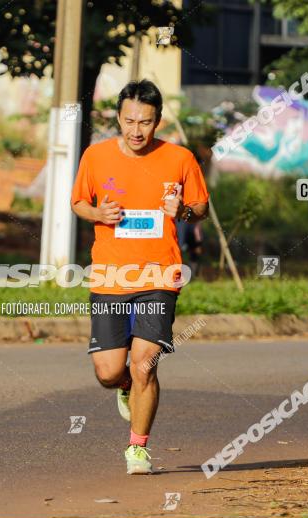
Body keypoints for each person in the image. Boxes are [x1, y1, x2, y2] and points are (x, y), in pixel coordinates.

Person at [70, 80, 210, 474]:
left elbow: (200, 208)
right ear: (118, 118)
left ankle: (138, 448)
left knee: (145, 363)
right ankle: (126, 387)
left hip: (160, 275)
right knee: (110, 372)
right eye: (129, 121)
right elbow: (79, 201)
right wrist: (99, 214)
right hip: (112, 276)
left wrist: (181, 211)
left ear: (157, 121)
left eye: (145, 122)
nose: (136, 131)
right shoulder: (96, 157)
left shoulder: (180, 158)